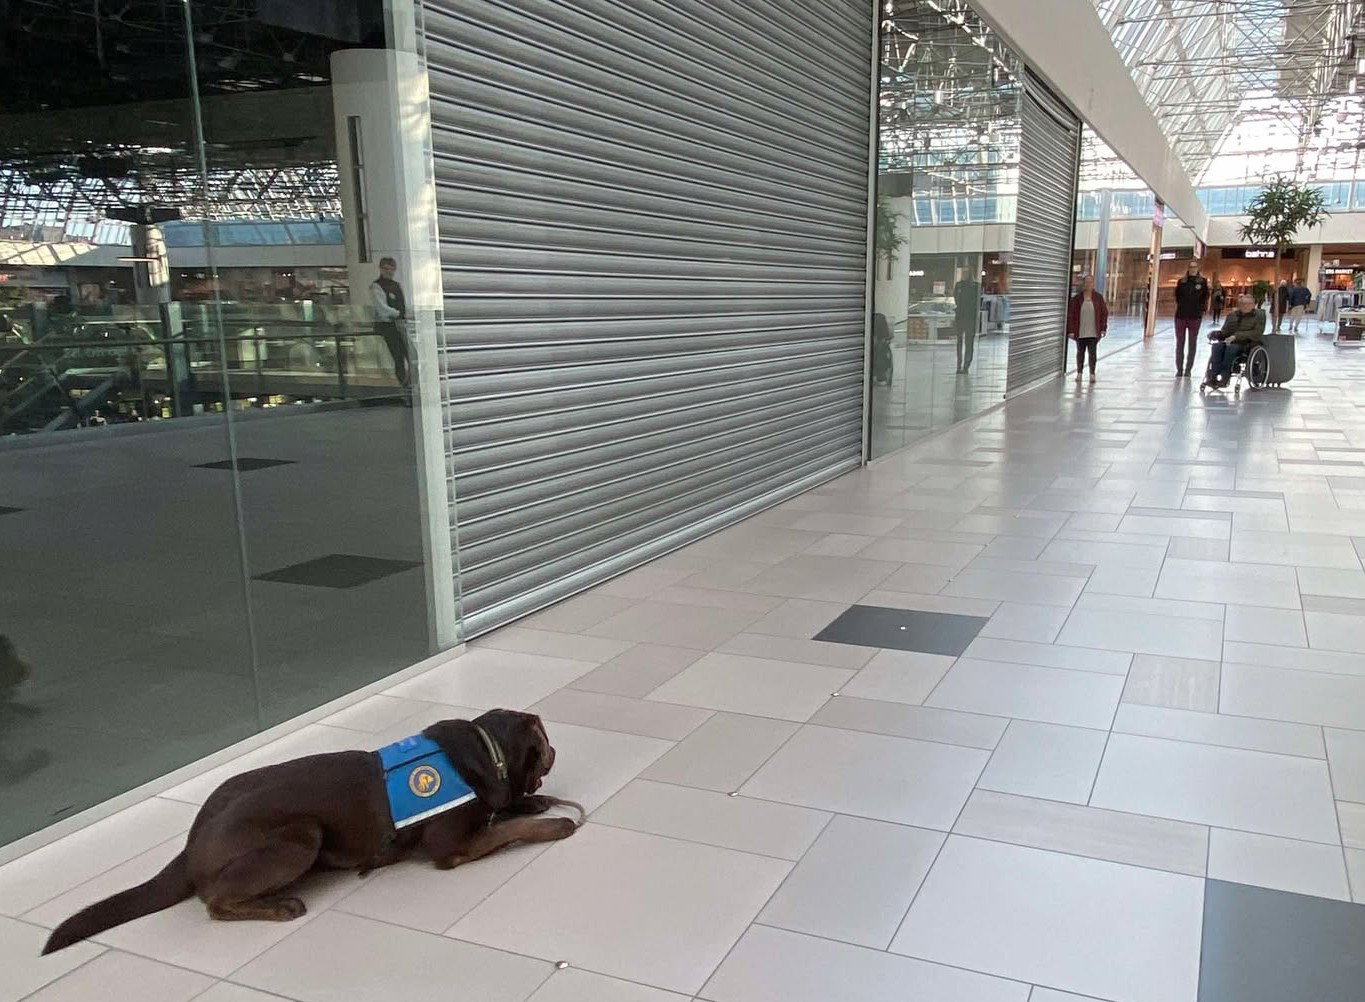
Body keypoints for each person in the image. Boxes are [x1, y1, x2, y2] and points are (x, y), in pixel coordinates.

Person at [1206, 293, 1266, 388]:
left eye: (1248, 304)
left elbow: (1257, 332)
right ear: (1239, 305)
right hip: (1229, 341)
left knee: (1231, 349)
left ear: (1253, 305)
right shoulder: (1232, 315)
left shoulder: (1259, 315)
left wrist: (1236, 336)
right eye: (1243, 304)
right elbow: (1225, 331)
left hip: (1248, 343)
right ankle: (1213, 375)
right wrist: (1215, 334)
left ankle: (1225, 377)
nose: (1245, 306)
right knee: (1216, 347)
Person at [370, 257, 410, 389]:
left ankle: (408, 383)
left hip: (400, 325)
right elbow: (382, 309)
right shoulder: (376, 286)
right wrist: (398, 314)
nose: (389, 272)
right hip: (387, 327)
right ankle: (402, 385)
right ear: (381, 269)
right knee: (397, 357)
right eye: (386, 269)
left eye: (392, 269)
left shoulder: (396, 285)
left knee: (408, 356)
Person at [1066, 273, 1108, 383]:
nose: (1088, 284)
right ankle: (1079, 373)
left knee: (1092, 354)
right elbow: (1071, 315)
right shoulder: (1077, 299)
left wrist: (1103, 328)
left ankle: (1092, 374)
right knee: (1080, 353)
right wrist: (1070, 330)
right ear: (1083, 284)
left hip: (1093, 332)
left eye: (1090, 282)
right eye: (1086, 282)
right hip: (1080, 331)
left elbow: (1104, 314)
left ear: (1093, 284)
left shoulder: (1098, 298)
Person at [1173, 261, 1210, 377]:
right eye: (1191, 267)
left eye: (1195, 267)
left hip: (1195, 316)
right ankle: (1179, 369)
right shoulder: (1182, 282)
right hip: (1181, 315)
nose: (1193, 269)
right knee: (1180, 343)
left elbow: (1205, 297)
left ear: (1198, 268)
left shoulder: (1202, 282)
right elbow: (1177, 296)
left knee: (1192, 343)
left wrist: (1201, 309)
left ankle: (1188, 369)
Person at [953, 273, 981, 373]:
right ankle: (959, 365)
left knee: (969, 343)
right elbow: (956, 298)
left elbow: (978, 301)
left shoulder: (976, 286)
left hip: (970, 318)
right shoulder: (959, 285)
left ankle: (966, 366)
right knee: (959, 342)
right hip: (961, 317)